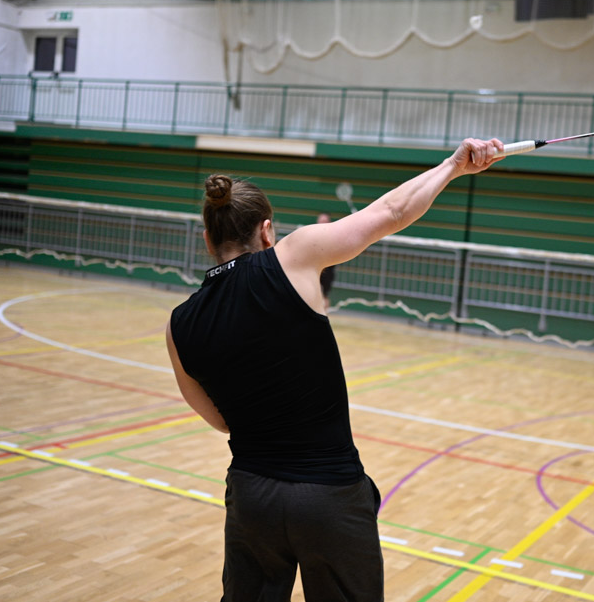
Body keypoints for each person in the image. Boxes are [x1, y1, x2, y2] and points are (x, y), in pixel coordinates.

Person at [165, 137, 505, 602]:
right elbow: (392, 212)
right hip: (329, 496)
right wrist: (452, 166)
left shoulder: (179, 323)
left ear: (207, 239)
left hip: (250, 497)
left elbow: (221, 420)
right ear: (267, 231)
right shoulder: (294, 255)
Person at [316, 212, 336, 311]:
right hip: (314, 268)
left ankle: (325, 314)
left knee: (324, 295)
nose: (322, 223)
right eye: (320, 220)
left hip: (327, 270)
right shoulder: (313, 235)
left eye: (324, 221)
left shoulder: (333, 236)